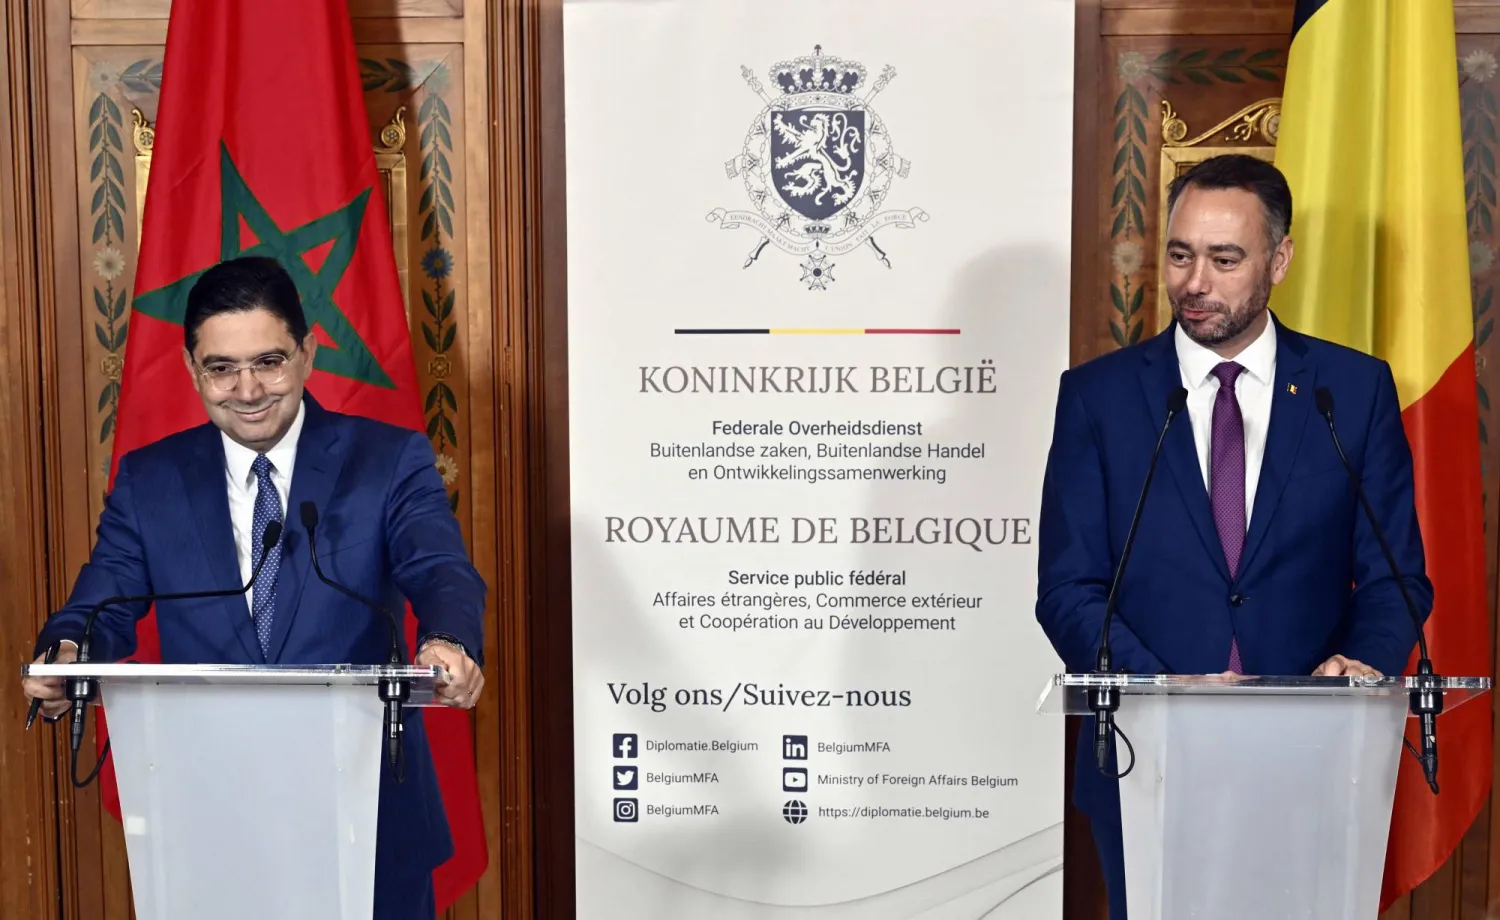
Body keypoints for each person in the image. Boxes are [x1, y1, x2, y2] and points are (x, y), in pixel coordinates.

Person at [19, 255, 486, 920]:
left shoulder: (388, 459)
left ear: (307, 353)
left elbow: (440, 569)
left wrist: (447, 642)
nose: (247, 388)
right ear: (191, 369)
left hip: (367, 813)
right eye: (221, 368)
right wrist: (68, 652)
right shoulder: (150, 479)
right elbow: (104, 598)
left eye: (268, 361)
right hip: (210, 820)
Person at [1034, 154, 1430, 918]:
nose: (1195, 282)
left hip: (1313, 755)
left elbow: (1395, 577)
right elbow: (1068, 587)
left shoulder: (1350, 391)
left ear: (1279, 260)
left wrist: (1360, 665)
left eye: (1224, 259)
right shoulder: (1099, 398)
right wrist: (1164, 693)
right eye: (1180, 255)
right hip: (1147, 757)